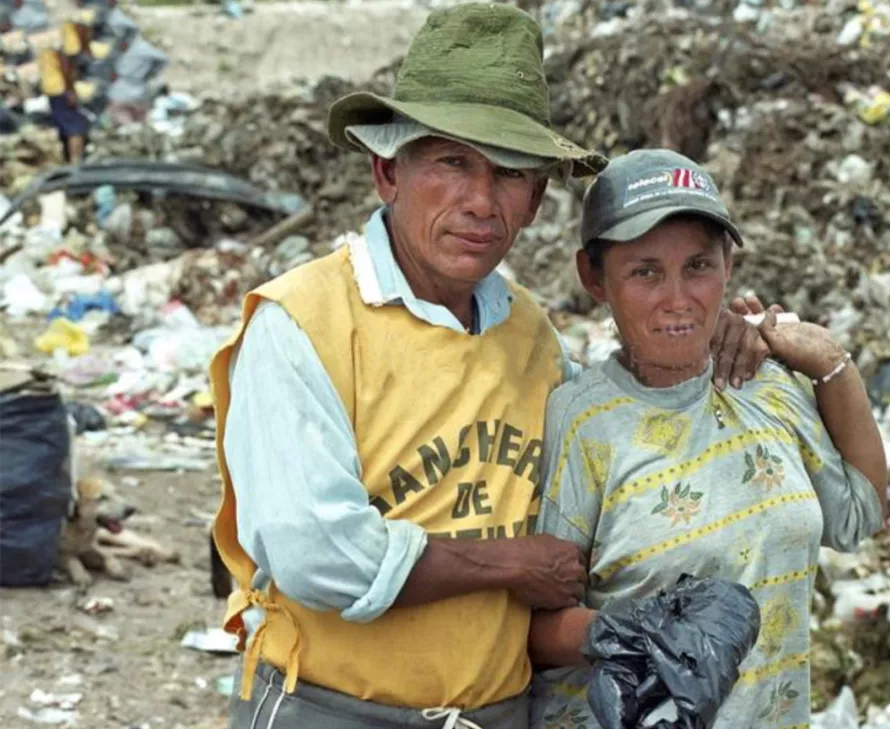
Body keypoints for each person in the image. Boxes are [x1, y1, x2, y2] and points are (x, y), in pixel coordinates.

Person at [208, 5, 772, 729]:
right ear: (388, 171)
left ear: (535, 200)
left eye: (509, 173)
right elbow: (318, 553)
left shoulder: (531, 335)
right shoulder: (301, 323)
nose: (481, 201)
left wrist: (727, 335)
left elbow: (613, 449)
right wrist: (512, 563)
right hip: (331, 708)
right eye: (451, 163)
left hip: (497, 714)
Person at [527, 149, 888, 729]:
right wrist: (642, 629)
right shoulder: (582, 421)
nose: (678, 298)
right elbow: (535, 631)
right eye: (645, 271)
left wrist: (828, 362)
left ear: (728, 265)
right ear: (594, 278)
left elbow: (859, 516)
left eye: (698, 266)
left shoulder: (763, 386)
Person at [34, 17, 92, 163]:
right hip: (61, 88)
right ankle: (75, 161)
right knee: (75, 127)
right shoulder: (71, 30)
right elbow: (66, 62)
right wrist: (70, 90)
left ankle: (67, 159)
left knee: (64, 125)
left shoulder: (51, 32)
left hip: (51, 87)